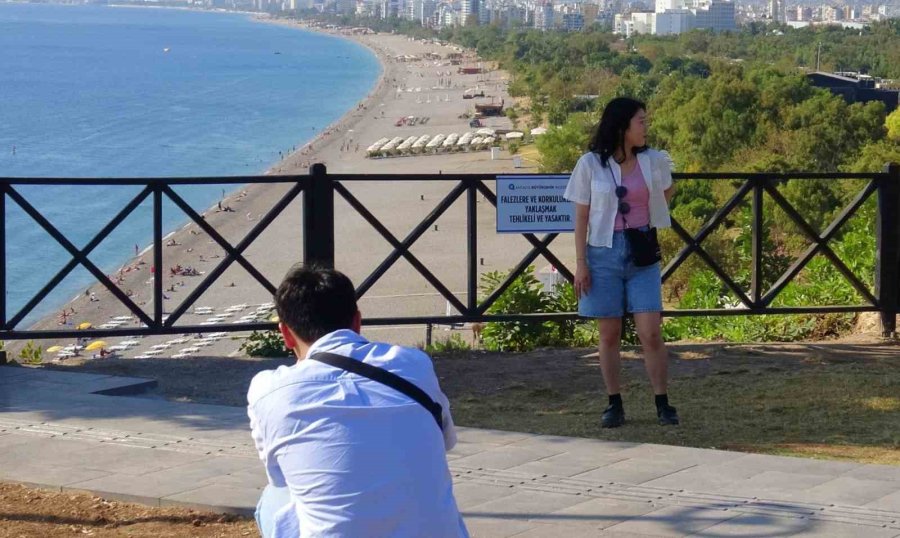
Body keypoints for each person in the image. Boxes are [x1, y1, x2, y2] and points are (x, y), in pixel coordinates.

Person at [248, 265, 468, 538]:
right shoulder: (413, 364)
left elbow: (280, 477)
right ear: (357, 322)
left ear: (286, 334)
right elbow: (446, 442)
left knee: (274, 499)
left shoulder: (268, 389)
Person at [563, 97, 679, 428]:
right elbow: (581, 215)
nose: (646, 127)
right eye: (641, 121)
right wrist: (581, 263)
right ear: (622, 125)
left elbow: (667, 192)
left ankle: (662, 402)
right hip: (602, 252)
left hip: (642, 250)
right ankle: (614, 403)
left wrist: (649, 214)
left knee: (650, 332)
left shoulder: (654, 160)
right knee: (609, 333)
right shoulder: (589, 164)